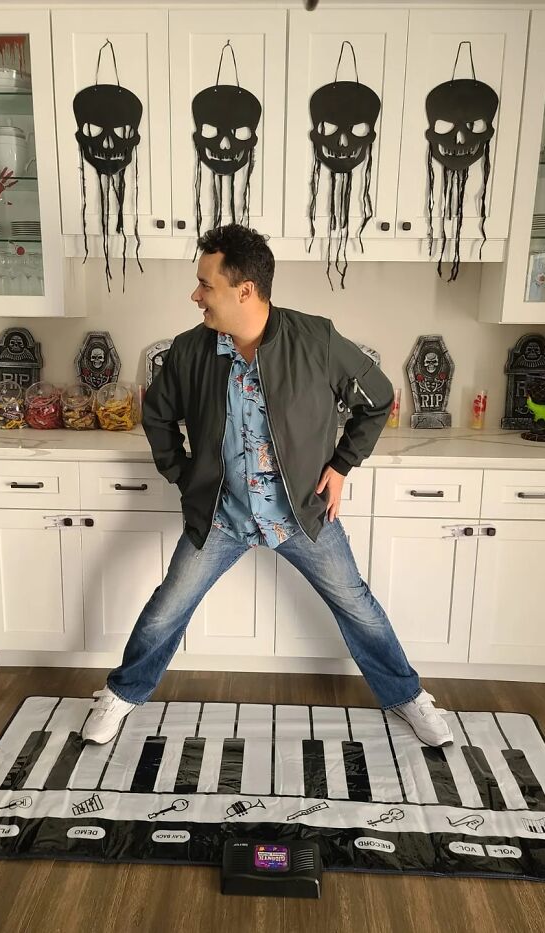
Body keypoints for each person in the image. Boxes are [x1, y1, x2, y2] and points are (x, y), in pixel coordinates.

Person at [82, 224, 453, 749]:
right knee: (168, 606)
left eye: (205, 284)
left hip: (301, 513)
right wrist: (183, 475)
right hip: (220, 516)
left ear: (245, 290)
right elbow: (158, 416)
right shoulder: (190, 351)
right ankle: (120, 695)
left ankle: (407, 697)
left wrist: (343, 465)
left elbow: (378, 398)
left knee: (356, 604)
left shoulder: (316, 339)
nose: (195, 295)